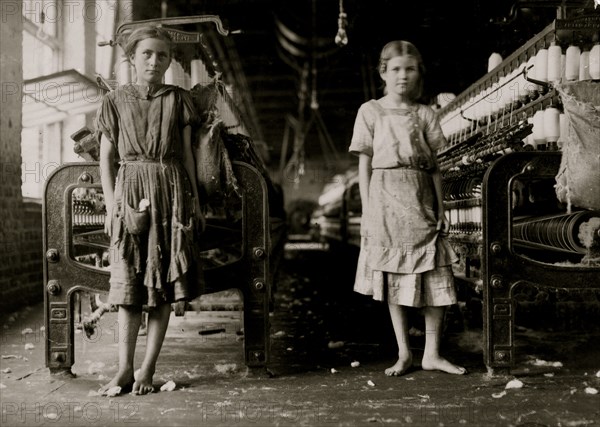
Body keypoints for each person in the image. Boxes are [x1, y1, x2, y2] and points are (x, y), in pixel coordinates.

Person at [96, 26, 204, 395]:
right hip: (129, 187)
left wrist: (194, 201)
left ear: (169, 61)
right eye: (146, 54)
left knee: (163, 283)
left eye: (162, 55)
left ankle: (147, 369)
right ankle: (124, 369)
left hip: (171, 190)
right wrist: (112, 206)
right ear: (131, 58)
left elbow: (188, 154)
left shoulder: (180, 100)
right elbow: (106, 158)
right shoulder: (114, 101)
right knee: (128, 285)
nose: (154, 61)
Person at [349, 41, 466, 376]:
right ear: (383, 72)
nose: (403, 76)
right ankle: (404, 353)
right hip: (384, 199)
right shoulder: (369, 111)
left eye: (410, 69)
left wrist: (441, 210)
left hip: (421, 199)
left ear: (419, 73)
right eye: (396, 69)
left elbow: (435, 169)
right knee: (393, 278)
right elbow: (364, 165)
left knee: (435, 276)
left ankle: (431, 353)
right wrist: (368, 212)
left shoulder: (426, 114)